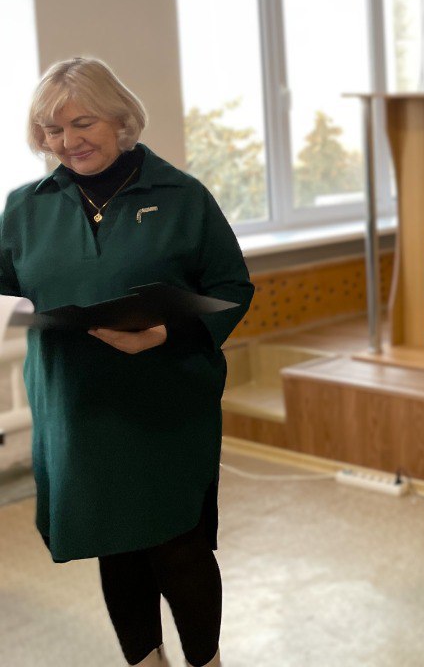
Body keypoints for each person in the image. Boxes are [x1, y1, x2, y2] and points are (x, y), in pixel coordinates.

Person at [0, 58, 253, 667]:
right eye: (52, 132)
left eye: (81, 122)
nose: (68, 142)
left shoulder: (181, 196)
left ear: (120, 119)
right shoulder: (27, 206)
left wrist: (165, 332)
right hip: (77, 407)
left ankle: (206, 662)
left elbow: (232, 287)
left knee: (179, 546)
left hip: (164, 400)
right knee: (114, 543)